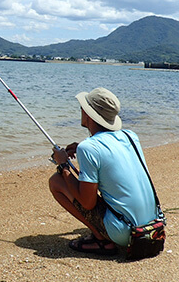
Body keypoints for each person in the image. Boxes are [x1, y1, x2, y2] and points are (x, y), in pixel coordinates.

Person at [49, 87, 157, 256]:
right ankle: (105, 235)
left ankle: (101, 240)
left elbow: (88, 203)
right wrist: (80, 148)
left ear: (88, 114)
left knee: (56, 181)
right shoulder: (130, 136)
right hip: (153, 227)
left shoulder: (89, 148)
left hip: (127, 233)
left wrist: (63, 165)